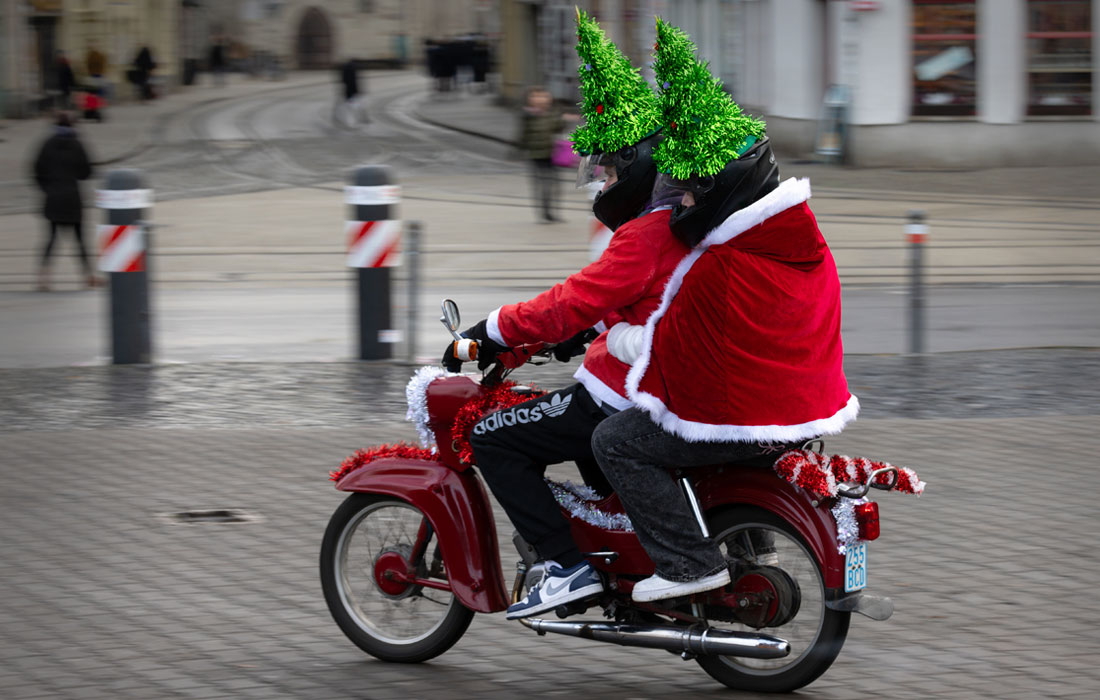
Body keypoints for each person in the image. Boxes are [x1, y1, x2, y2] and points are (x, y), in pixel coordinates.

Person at [590, 19, 859, 603]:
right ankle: (750, 545)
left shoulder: (721, 266)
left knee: (615, 439)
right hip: (803, 409)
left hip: (747, 415)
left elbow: (671, 352)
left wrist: (616, 340)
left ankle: (688, 564)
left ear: (723, 188)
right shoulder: (799, 244)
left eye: (688, 191)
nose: (680, 202)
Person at [443, 10, 687, 620]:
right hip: (654, 377)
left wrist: (491, 331)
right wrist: (569, 334)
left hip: (628, 389)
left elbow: (577, 298)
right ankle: (628, 574)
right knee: (581, 443)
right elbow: (609, 306)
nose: (597, 181)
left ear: (631, 169)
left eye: (604, 168)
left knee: (492, 437)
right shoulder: (675, 226)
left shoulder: (643, 234)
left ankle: (565, 566)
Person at [32, 112, 98, 291]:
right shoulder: (77, 144)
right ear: (72, 126)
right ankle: (89, 277)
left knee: (51, 239)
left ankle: (43, 278)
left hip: (53, 198)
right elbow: (86, 173)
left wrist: (47, 189)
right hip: (72, 199)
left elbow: (36, 171)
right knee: (80, 239)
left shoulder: (47, 144)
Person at [517, 86, 565, 224]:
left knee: (554, 184)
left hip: (551, 153)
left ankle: (550, 212)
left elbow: (559, 128)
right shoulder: (527, 115)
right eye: (536, 96)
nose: (540, 99)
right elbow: (522, 133)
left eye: (543, 96)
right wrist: (518, 150)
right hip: (535, 154)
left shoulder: (553, 112)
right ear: (530, 99)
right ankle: (545, 213)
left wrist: (561, 118)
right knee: (542, 184)